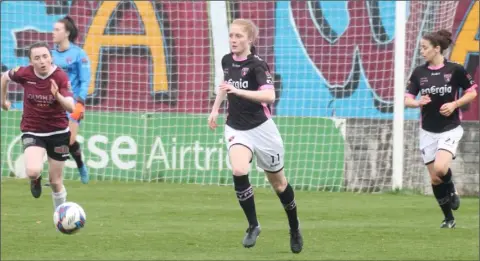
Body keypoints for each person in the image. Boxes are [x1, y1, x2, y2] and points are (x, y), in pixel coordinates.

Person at [208, 19, 303, 253]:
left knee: (279, 185)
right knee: (239, 170)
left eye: (238, 36)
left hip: (262, 130)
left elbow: (269, 96)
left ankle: (294, 227)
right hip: (236, 127)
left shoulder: (258, 66)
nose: (233, 40)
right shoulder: (227, 60)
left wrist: (237, 91)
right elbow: (225, 85)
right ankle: (253, 225)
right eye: (231, 35)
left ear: (249, 39)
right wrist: (215, 108)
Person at [405, 29, 477, 228]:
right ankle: (449, 219)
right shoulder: (419, 72)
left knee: (440, 168)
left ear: (437, 49)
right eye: (421, 47)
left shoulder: (455, 69)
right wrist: (418, 102)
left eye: (425, 47)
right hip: (427, 131)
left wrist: (454, 105)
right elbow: (407, 99)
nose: (422, 51)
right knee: (436, 180)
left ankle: (452, 188)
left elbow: (472, 93)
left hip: (450, 128)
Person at [1, 41, 75, 210]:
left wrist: (57, 95)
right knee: (33, 171)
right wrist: (3, 102)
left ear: (51, 58)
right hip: (33, 131)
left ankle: (60, 216)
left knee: (56, 182)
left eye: (45, 56)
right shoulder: (23, 73)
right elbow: (4, 77)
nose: (42, 61)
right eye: (37, 58)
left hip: (58, 133)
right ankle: (35, 180)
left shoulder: (60, 76)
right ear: (30, 61)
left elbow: (71, 107)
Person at [52, 16, 91, 184]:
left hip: (72, 103)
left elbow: (85, 80)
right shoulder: (50, 55)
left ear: (67, 33)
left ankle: (81, 165)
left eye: (57, 30)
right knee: (53, 139)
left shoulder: (78, 54)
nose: (53, 33)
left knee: (69, 140)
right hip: (54, 104)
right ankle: (54, 177)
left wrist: (81, 102)